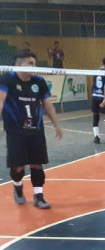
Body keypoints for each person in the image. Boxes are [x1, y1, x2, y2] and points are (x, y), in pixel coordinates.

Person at [1, 50, 63, 209]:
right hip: (15, 131)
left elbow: (47, 104)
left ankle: (39, 196)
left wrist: (56, 124)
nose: (34, 66)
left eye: (35, 63)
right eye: (30, 63)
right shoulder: (7, 79)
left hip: (36, 129)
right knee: (18, 167)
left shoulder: (39, 81)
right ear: (19, 65)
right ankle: (17, 186)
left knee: (37, 164)